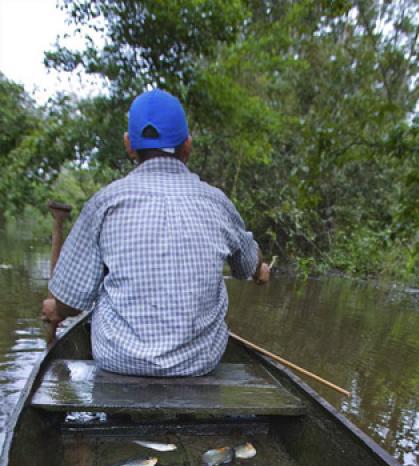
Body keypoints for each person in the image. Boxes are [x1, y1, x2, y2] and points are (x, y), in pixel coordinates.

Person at [41, 88, 270, 376]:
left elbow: (71, 304)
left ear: (129, 145)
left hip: (119, 361)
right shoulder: (217, 203)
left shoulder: (105, 203)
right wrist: (259, 267)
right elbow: (247, 265)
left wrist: (55, 309)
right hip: (198, 364)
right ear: (187, 146)